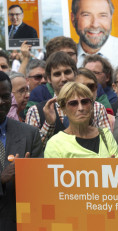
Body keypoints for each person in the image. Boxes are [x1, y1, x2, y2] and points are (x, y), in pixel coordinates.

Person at [26, 52, 111, 147]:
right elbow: (31, 150)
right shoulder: (35, 111)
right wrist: (49, 124)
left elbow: (108, 145)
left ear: (75, 74)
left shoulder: (97, 108)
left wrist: (90, 122)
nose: (63, 78)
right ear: (49, 79)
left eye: (67, 72)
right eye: (57, 74)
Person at [0, 71, 43, 231]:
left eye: (5, 96)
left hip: (19, 222)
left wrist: (29, 173)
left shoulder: (29, 133)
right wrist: (1, 179)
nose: (0, 102)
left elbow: (41, 184)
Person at [44, 82, 118, 158]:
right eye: (73, 103)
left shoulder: (105, 135)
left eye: (85, 102)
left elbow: (117, 167)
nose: (81, 108)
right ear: (63, 109)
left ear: (92, 106)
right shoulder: (55, 143)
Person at [71, 0, 118, 68]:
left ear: (111, 18)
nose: (95, 24)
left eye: (102, 16)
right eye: (86, 15)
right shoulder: (65, 58)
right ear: (73, 19)